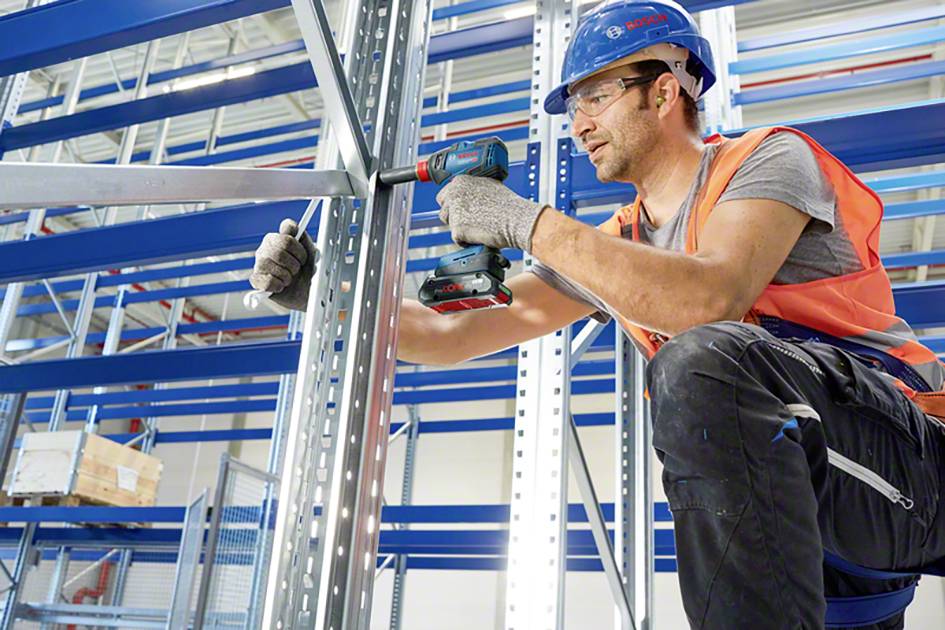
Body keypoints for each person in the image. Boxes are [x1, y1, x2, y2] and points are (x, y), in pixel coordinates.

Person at [251, 1, 945, 627]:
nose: (577, 123)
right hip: (838, 569)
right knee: (699, 369)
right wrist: (326, 296)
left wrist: (527, 223)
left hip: (904, 456)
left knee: (701, 360)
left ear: (665, 90)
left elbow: (708, 299)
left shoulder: (765, 160)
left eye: (594, 95)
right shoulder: (617, 246)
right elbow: (446, 334)